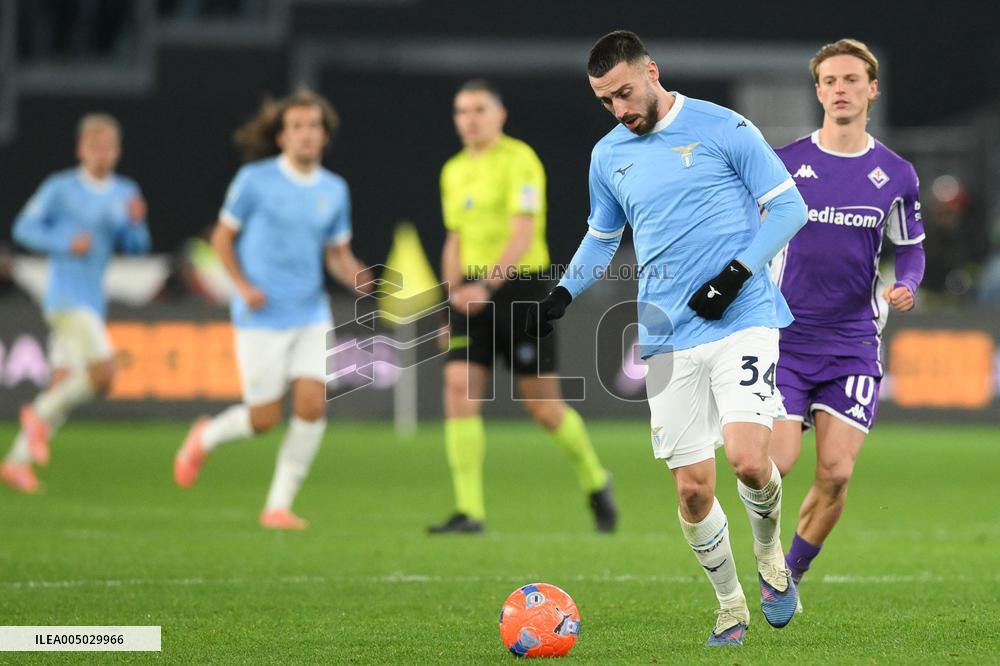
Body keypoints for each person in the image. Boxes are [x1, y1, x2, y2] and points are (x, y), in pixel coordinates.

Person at [528, 31, 808, 646]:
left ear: (651, 71)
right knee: (690, 488)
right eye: (605, 101)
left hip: (743, 317)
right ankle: (730, 604)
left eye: (625, 92)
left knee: (748, 460)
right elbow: (603, 239)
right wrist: (561, 295)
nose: (619, 109)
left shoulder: (724, 127)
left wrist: (734, 276)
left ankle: (769, 557)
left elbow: (790, 209)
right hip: (662, 332)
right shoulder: (608, 156)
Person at [768, 39, 926, 607]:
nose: (840, 90)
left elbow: (910, 249)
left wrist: (907, 283)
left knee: (835, 473)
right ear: (818, 91)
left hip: (853, 344)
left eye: (851, 80)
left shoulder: (896, 174)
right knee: (774, 467)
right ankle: (760, 559)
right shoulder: (784, 164)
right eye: (830, 81)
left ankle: (788, 573)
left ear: (871, 89)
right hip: (785, 340)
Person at [172, 89, 372, 530]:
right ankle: (203, 437)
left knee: (312, 404)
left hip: (309, 312)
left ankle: (277, 505)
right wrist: (242, 287)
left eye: (313, 126)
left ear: (324, 136)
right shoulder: (253, 181)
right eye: (297, 126)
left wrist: (358, 275)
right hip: (260, 316)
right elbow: (221, 239)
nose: (306, 134)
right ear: (282, 137)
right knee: (263, 418)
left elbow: (337, 253)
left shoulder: (334, 190)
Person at [428, 79, 617, 535]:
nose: (469, 119)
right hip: (470, 293)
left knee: (545, 409)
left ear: (499, 115)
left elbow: (523, 234)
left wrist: (487, 288)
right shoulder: (453, 170)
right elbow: (454, 238)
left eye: (478, 109)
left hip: (520, 290)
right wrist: (449, 300)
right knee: (459, 389)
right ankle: (469, 510)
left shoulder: (520, 160)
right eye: (461, 111)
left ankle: (595, 479)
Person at [2, 114, 150, 494]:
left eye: (109, 148)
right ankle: (35, 417)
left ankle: (16, 462)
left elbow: (137, 247)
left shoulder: (124, 191)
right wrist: (65, 241)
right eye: (94, 147)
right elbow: (23, 228)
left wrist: (135, 225)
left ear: (117, 151)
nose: (102, 154)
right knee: (104, 374)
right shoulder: (61, 188)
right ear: (81, 150)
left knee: (64, 384)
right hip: (66, 298)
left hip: (92, 299)